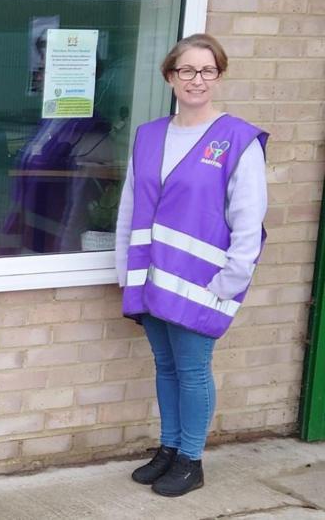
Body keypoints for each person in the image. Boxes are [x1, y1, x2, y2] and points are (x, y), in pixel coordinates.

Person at [115, 33, 268, 497]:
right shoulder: (148, 135)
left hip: (204, 283)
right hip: (152, 277)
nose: (196, 79)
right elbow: (129, 205)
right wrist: (125, 268)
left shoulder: (238, 139)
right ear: (170, 77)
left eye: (207, 70)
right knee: (165, 366)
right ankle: (168, 447)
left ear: (218, 77)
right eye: (186, 70)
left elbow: (249, 216)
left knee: (193, 369)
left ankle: (191, 459)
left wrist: (231, 279)